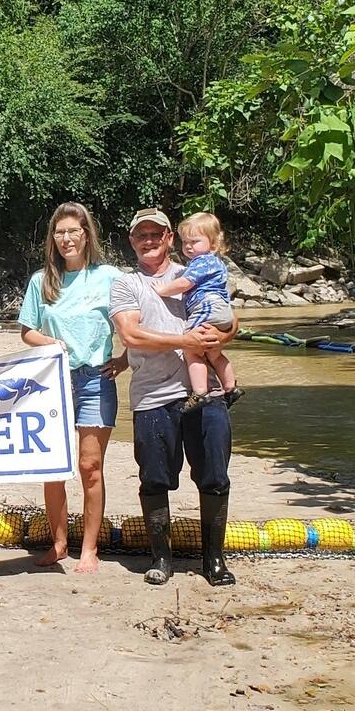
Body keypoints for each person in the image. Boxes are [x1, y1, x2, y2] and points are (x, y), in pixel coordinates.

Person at [109, 207, 237, 587]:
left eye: (156, 234)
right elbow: (131, 336)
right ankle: (161, 558)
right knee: (155, 479)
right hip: (152, 396)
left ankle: (214, 560)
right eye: (141, 235)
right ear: (132, 241)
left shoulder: (197, 268)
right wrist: (186, 340)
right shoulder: (125, 284)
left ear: (169, 239)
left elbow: (230, 317)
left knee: (215, 477)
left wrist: (224, 338)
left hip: (205, 393)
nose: (149, 240)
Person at [17, 202, 127, 573]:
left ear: (86, 234)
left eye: (73, 231)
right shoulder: (41, 281)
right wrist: (47, 342)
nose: (66, 239)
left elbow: (136, 322)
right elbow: (27, 331)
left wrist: (126, 360)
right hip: (53, 382)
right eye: (59, 232)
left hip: (97, 379)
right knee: (53, 467)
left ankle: (90, 549)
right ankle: (59, 543)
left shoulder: (110, 277)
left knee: (90, 466)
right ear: (53, 238)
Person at [153, 210, 242, 412]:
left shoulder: (203, 262)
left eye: (195, 241)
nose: (189, 246)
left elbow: (185, 283)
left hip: (207, 307)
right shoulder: (214, 262)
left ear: (213, 244)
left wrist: (163, 289)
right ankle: (230, 387)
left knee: (191, 348)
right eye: (185, 242)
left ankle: (200, 393)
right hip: (221, 310)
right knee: (214, 353)